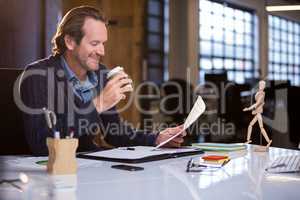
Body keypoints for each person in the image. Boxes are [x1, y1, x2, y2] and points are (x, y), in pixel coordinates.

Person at [19, 6, 185, 156]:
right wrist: (98, 104)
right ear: (69, 41)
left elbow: (114, 133)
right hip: (52, 172)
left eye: (103, 43)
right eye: (94, 43)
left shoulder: (100, 74)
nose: (102, 51)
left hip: (88, 165)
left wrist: (157, 138)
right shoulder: (37, 75)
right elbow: (41, 144)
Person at [243, 80, 272, 148]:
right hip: (257, 112)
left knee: (261, 127)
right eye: (260, 84)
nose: (260, 86)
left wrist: (248, 108)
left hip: (258, 112)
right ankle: (248, 140)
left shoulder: (262, 94)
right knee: (251, 125)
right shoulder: (259, 93)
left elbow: (257, 103)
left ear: (264, 86)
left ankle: (268, 141)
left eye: (262, 85)